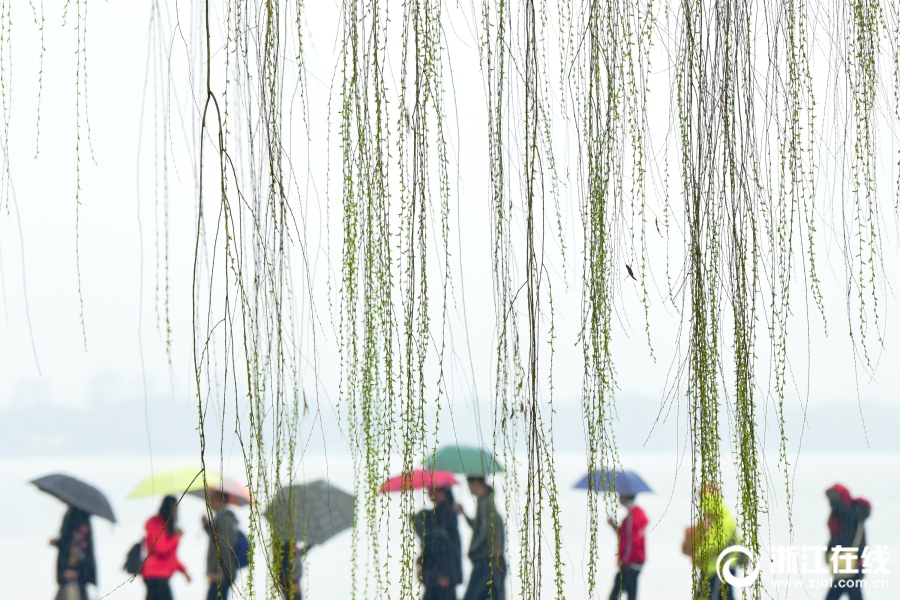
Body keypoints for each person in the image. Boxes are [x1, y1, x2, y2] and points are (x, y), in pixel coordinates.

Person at [684, 484, 738, 600]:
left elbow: (716, 544)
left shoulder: (724, 519)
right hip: (710, 568)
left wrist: (698, 554)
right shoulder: (712, 518)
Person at [455, 477, 506, 600]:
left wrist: (472, 550)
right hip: (493, 561)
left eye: (471, 484)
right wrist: (464, 514)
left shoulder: (485, 504)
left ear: (478, 484)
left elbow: (484, 533)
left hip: (487, 561)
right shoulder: (485, 502)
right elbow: (480, 527)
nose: (469, 487)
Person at [413, 486, 464, 600]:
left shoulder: (446, 513)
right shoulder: (440, 513)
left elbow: (447, 546)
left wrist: (446, 574)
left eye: (433, 489)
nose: (430, 492)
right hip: (437, 575)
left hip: (441, 576)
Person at [824, 484, 871, 600]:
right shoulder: (839, 517)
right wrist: (828, 553)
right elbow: (836, 539)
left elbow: (845, 540)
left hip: (853, 564)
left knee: (844, 594)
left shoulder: (853, 515)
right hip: (844, 564)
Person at [142, 495, 190, 599]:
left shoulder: (166, 526)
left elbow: (171, 556)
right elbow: (161, 548)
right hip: (155, 575)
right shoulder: (157, 523)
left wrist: (184, 570)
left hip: (160, 575)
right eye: (174, 508)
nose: (176, 511)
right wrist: (176, 537)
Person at [607, 494, 648, 600]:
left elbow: (631, 540)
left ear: (626, 496)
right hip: (636, 560)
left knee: (617, 591)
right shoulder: (636, 514)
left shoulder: (632, 516)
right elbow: (624, 535)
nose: (619, 497)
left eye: (621, 495)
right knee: (630, 591)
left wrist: (625, 560)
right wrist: (613, 525)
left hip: (631, 560)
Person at [51, 506, 96, 600]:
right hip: (72, 575)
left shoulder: (77, 515)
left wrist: (76, 571)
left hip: (75, 576)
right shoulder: (76, 514)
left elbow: (79, 546)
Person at [203, 491, 240, 600]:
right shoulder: (222, 519)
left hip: (222, 574)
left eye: (213, 499)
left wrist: (219, 574)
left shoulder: (225, 521)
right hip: (222, 573)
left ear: (222, 500)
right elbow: (216, 539)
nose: (210, 502)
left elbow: (223, 548)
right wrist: (206, 526)